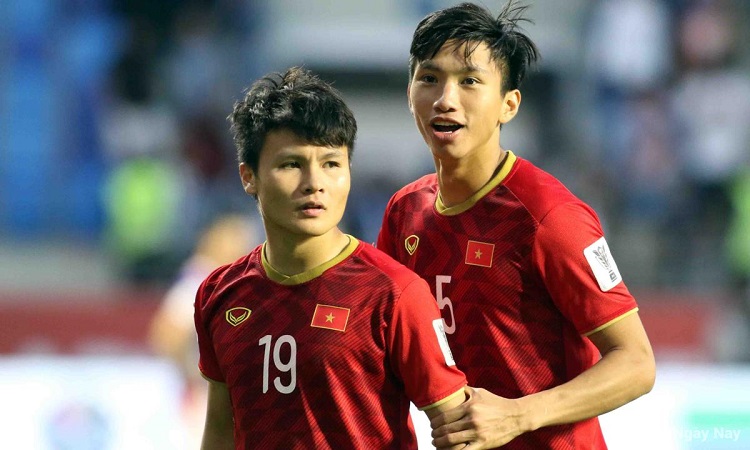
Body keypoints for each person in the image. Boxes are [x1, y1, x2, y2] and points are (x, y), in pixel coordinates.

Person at [376, 2, 656, 449]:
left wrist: (518, 414)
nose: (446, 99)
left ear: (509, 105)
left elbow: (637, 363)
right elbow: (381, 349)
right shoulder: (403, 212)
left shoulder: (550, 218)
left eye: (470, 81)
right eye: (429, 78)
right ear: (409, 93)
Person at [194, 66, 468, 449]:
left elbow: (459, 428)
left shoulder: (394, 294)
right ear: (248, 176)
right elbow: (221, 430)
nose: (314, 183)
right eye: (291, 164)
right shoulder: (219, 294)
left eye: (331, 164)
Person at [148, 213, 260, 448]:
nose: (244, 248)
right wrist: (195, 374)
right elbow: (166, 335)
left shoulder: (233, 281)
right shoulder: (202, 280)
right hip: (207, 402)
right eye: (235, 239)